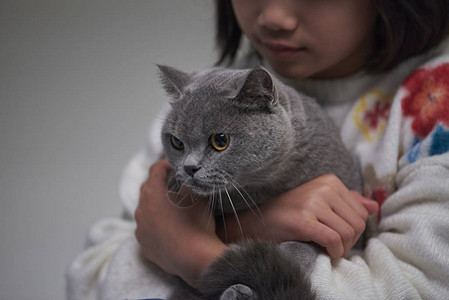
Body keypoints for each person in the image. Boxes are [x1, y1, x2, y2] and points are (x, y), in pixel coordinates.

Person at [67, 0, 449, 299]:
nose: (274, 16)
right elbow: (89, 277)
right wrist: (253, 225)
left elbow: (421, 288)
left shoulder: (435, 105)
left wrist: (196, 256)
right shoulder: (199, 100)